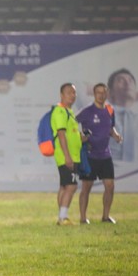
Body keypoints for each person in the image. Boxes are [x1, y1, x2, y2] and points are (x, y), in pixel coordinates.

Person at [76, 83, 122, 224]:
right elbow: (72, 125)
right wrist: (80, 137)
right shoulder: (87, 111)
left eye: (103, 92)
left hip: (105, 155)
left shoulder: (110, 110)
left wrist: (115, 135)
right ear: (94, 94)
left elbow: (110, 127)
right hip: (90, 155)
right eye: (98, 92)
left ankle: (105, 216)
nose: (101, 95)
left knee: (110, 186)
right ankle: (83, 218)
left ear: (107, 94)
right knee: (86, 187)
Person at [51, 82, 86, 226]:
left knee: (64, 186)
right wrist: (67, 156)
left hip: (72, 155)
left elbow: (71, 134)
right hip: (67, 156)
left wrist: (82, 138)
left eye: (74, 92)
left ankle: (61, 217)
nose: (72, 95)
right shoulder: (60, 111)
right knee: (71, 186)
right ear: (61, 95)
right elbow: (61, 134)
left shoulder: (69, 112)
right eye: (69, 92)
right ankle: (63, 217)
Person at [107, 68, 136, 162]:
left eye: (130, 81)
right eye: (121, 80)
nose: (127, 84)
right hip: (111, 168)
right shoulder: (102, 114)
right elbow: (77, 86)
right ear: (110, 91)